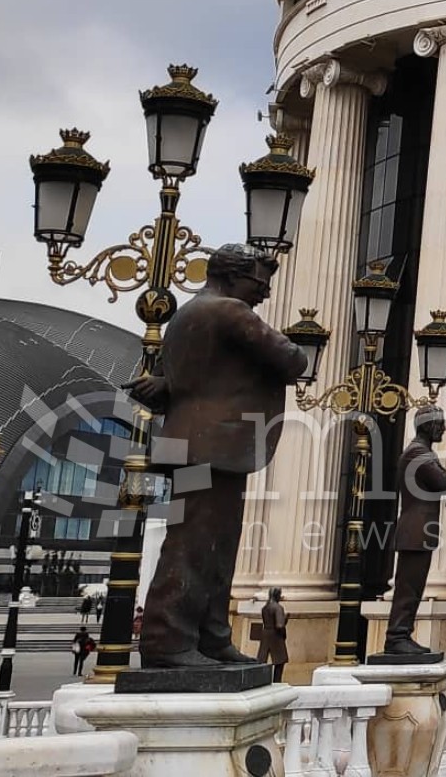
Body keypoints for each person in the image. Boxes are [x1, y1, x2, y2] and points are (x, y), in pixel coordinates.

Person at [131, 244, 309, 668]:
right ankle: (168, 641)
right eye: (259, 282)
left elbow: (182, 378)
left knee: (214, 543)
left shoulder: (186, 315)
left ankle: (211, 637)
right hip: (211, 445)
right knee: (196, 542)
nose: (265, 292)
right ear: (233, 275)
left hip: (198, 444)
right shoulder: (228, 311)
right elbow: (293, 360)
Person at [384, 407, 446, 658]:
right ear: (427, 426)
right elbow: (445, 483)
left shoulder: (420, 452)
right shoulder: (418, 453)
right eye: (440, 424)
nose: (444, 429)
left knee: (413, 588)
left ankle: (401, 635)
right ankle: (397, 637)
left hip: (419, 531)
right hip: (415, 531)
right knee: (408, 589)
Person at [258, 586, 289, 681]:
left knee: (262, 659)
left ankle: (261, 679)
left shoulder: (265, 607)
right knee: (280, 660)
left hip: (265, 634)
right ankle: (277, 681)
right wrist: (285, 619)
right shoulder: (278, 608)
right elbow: (279, 625)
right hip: (276, 636)